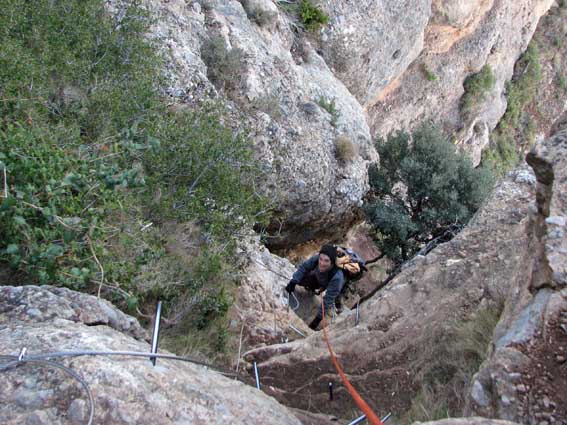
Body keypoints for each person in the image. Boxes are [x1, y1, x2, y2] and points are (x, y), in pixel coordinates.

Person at [285, 244, 346, 330]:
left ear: (332, 262)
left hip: (333, 286)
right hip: (320, 279)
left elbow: (328, 299)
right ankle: (312, 288)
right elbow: (304, 267)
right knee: (302, 280)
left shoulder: (337, 277)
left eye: (326, 261)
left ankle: (339, 303)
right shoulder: (317, 258)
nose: (322, 263)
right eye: (321, 259)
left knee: (334, 298)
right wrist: (293, 281)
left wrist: (318, 319)